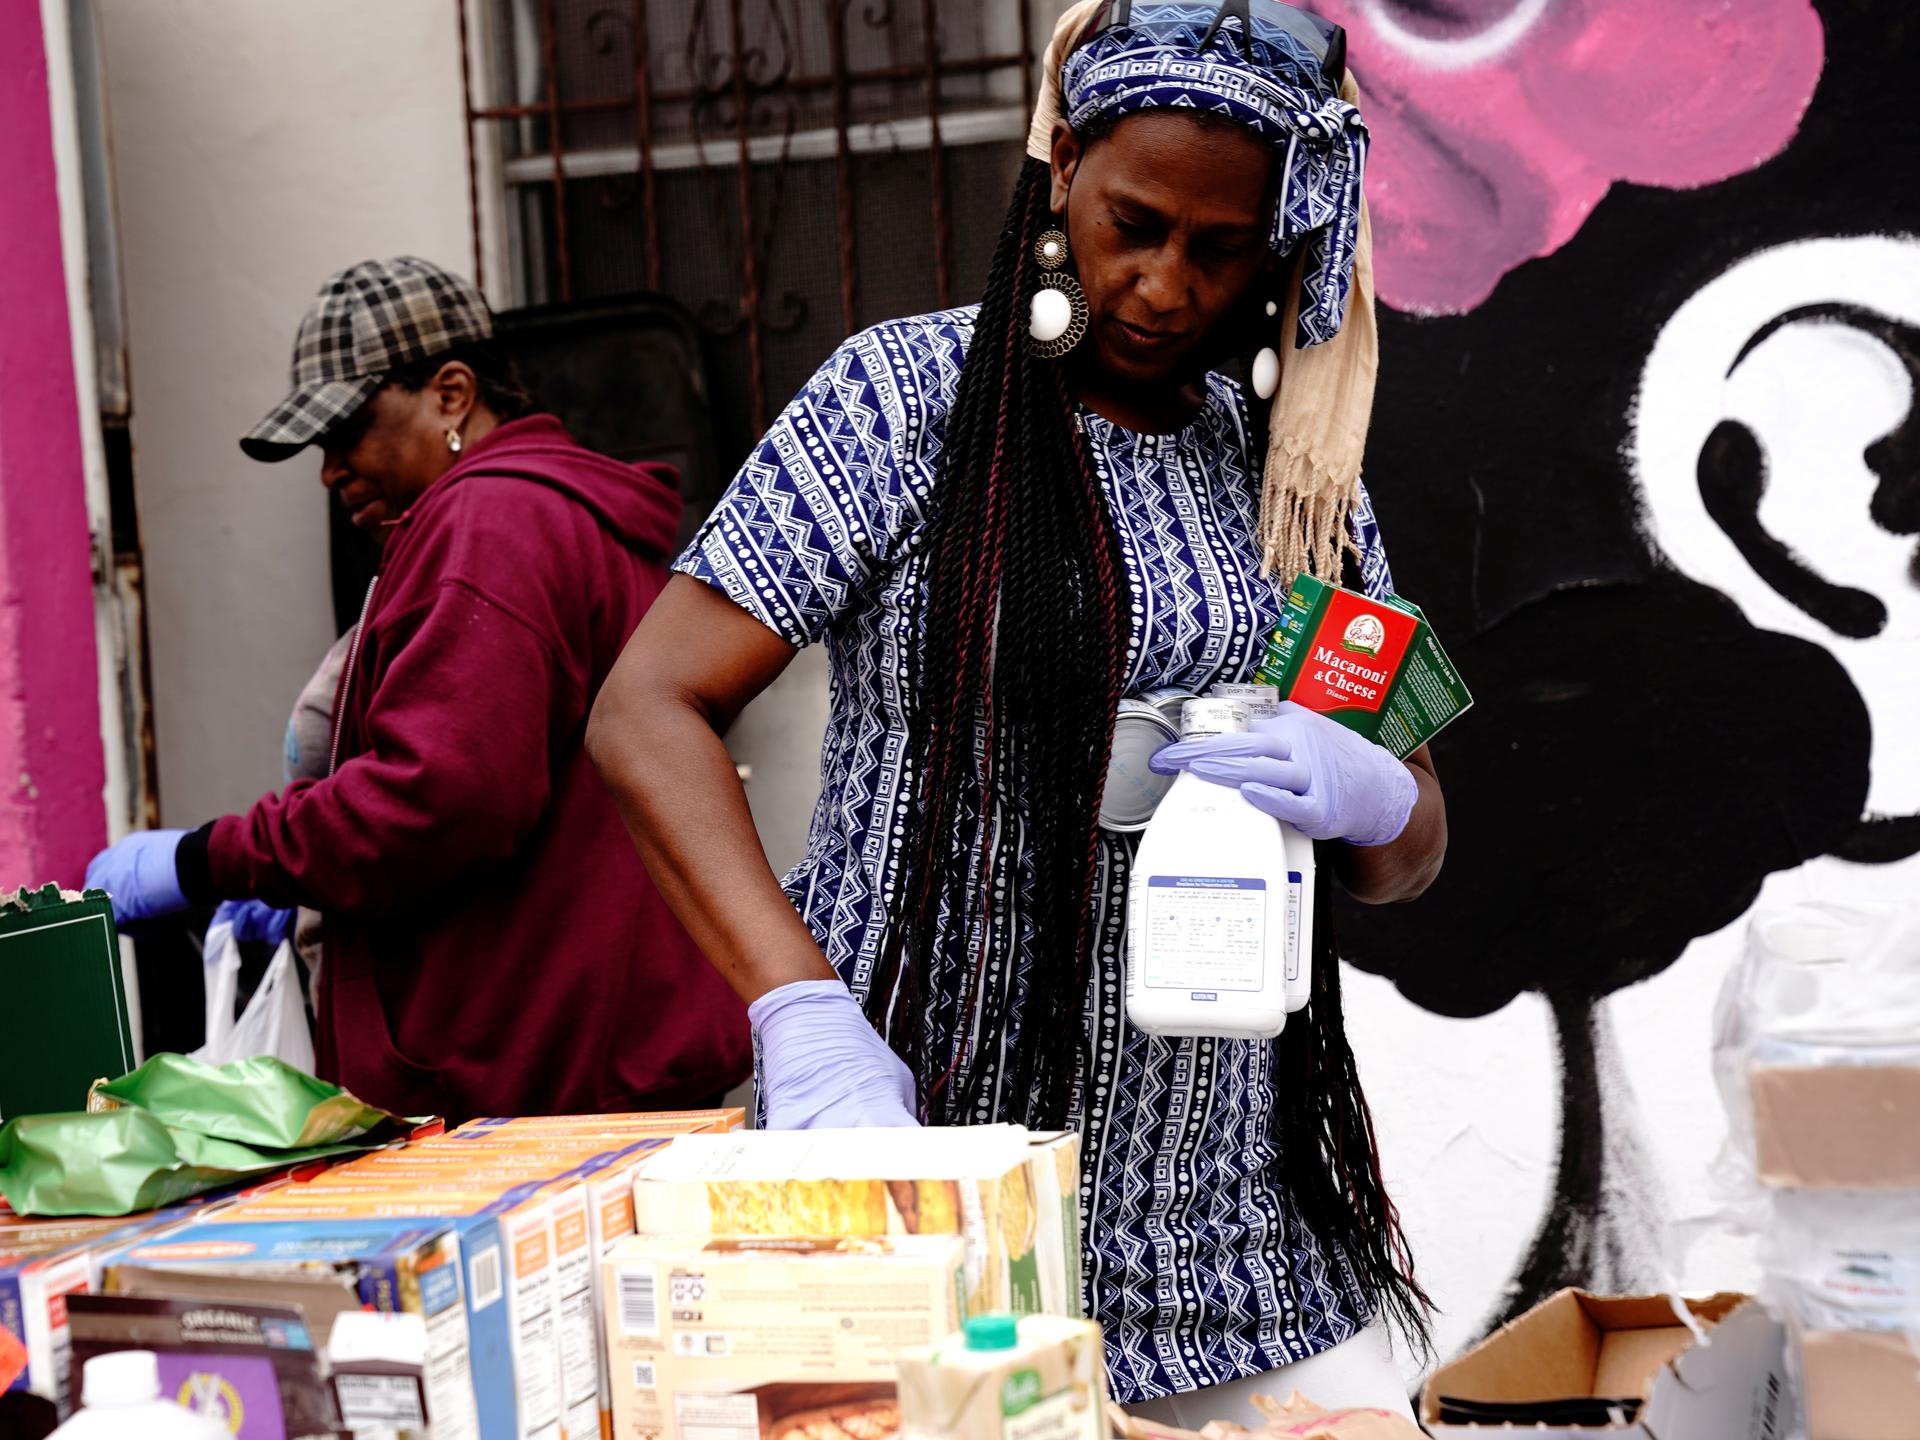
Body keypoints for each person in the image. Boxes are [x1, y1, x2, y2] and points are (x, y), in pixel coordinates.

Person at [588, 0, 1446, 1420]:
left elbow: (1413, 848)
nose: (1167, 284)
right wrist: (799, 1011)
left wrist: (1372, 790)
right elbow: (646, 709)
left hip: (1228, 1246)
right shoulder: (902, 406)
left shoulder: (1301, 483)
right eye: (1136, 224)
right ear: (1061, 182)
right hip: (919, 1193)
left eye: (1220, 249)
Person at [87, 256, 750, 1120]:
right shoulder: (562, 512)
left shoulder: (489, 522)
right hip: (600, 1059)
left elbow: (437, 801)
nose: (330, 471)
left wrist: (207, 859)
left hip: (536, 1088)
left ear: (451, 392)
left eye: (348, 430)